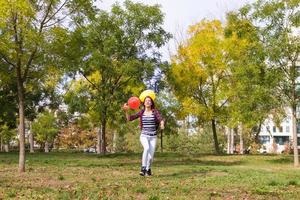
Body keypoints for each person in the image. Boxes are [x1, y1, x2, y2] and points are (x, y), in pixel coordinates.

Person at [123, 96, 164, 176]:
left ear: (151, 103)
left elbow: (160, 119)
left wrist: (162, 124)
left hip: (153, 137)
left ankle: (148, 169)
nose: (148, 102)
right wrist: (126, 111)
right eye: (146, 101)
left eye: (149, 101)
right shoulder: (141, 112)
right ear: (144, 103)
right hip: (144, 136)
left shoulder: (154, 112)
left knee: (151, 156)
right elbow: (130, 119)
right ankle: (143, 168)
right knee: (146, 148)